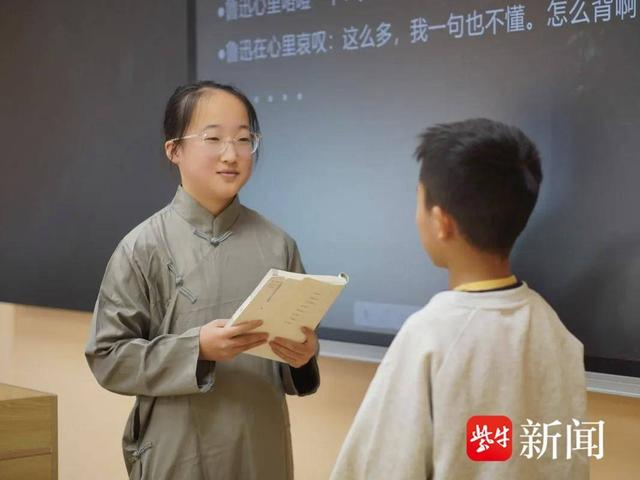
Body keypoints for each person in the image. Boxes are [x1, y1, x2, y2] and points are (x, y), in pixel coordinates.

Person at [86, 80, 320, 480]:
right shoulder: (141, 247)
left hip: (260, 450)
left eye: (244, 140)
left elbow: (294, 358)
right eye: (213, 138)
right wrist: (197, 349)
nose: (231, 154)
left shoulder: (279, 245)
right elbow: (108, 357)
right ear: (174, 150)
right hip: (177, 452)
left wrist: (303, 355)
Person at [331, 118, 588, 479]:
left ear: (441, 222)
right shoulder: (557, 333)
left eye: (418, 200)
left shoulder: (429, 336)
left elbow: (381, 468)